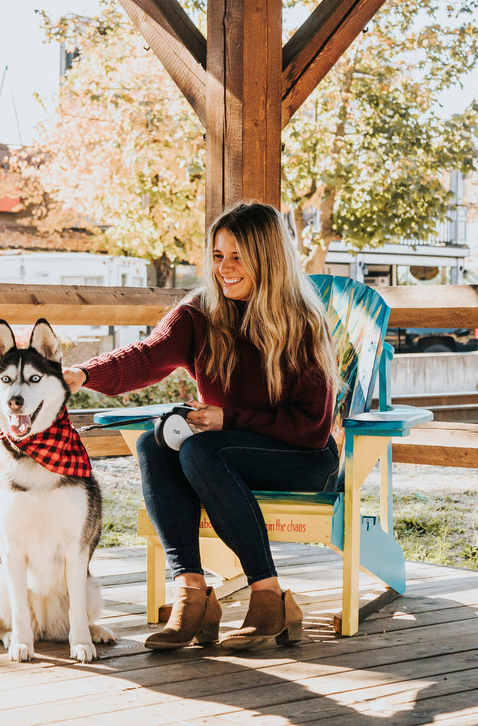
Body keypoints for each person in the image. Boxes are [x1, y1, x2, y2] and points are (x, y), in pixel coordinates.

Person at [63, 201, 340, 651]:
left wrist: (230, 418)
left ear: (267, 257)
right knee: (157, 444)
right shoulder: (199, 314)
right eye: (217, 255)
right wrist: (85, 374)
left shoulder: (302, 324)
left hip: (305, 458)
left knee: (200, 450)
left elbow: (311, 427)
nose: (224, 269)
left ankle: (269, 597)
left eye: (237, 256)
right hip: (227, 453)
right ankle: (191, 594)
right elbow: (147, 356)